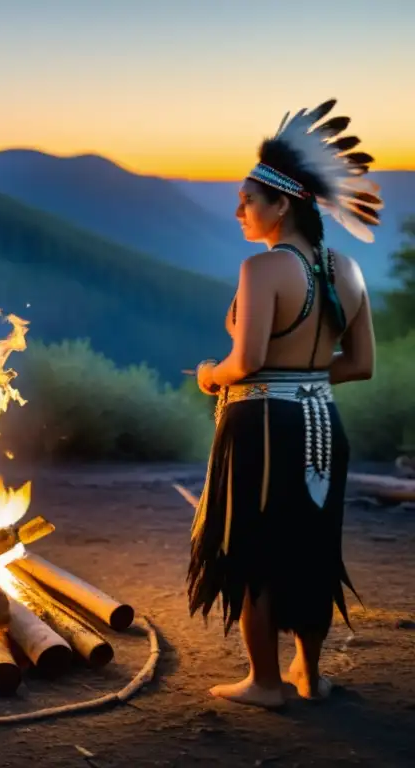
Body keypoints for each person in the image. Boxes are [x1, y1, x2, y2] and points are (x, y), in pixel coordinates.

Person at [187, 99, 381, 708]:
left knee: (254, 547)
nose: (239, 209)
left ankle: (264, 682)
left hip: (264, 425)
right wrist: (305, 379)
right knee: (311, 545)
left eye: (248, 199)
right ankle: (309, 674)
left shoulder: (264, 267)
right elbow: (360, 364)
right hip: (323, 421)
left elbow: (243, 362)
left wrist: (209, 375)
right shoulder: (347, 269)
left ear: (282, 204)